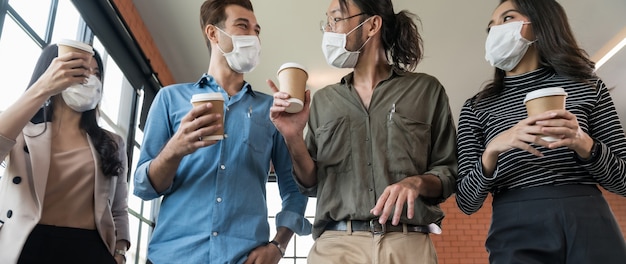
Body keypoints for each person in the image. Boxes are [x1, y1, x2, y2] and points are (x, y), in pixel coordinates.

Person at [269, 0, 458, 263]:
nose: (328, 30)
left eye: (335, 19)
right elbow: (309, 183)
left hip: (407, 243)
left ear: (372, 25)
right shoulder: (322, 101)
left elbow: (448, 172)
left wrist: (416, 182)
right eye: (327, 22)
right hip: (335, 247)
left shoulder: (427, 91)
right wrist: (292, 136)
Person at [133, 0, 311, 263]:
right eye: (242, 26)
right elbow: (143, 186)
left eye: (257, 30)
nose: (253, 36)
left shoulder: (271, 110)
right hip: (173, 257)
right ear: (213, 33)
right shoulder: (170, 99)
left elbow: (294, 190)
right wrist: (175, 149)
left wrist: (278, 246)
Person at [456, 0, 626, 263]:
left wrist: (584, 143)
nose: (495, 31)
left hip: (589, 217)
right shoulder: (477, 108)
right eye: (490, 27)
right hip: (515, 222)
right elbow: (467, 202)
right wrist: (492, 151)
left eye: (507, 19)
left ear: (539, 25)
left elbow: (623, 182)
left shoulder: (588, 87)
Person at [0, 43, 130, 263]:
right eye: (80, 69)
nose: (90, 79)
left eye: (96, 73)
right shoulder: (21, 128)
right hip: (27, 246)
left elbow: (119, 208)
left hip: (90, 250)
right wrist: (43, 88)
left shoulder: (112, 142)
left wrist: (119, 253)